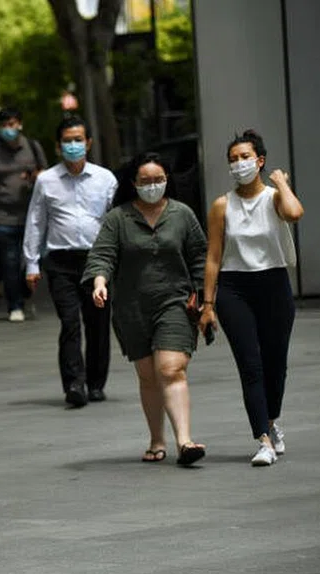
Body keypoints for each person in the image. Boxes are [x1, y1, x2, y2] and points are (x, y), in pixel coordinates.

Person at [82, 152, 208, 466]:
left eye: (158, 180)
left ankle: (185, 441)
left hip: (175, 303)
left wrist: (206, 301)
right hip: (132, 308)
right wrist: (100, 282)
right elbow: (103, 255)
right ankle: (157, 439)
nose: (152, 186)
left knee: (170, 368)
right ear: (134, 183)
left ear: (168, 181)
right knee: (149, 376)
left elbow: (200, 258)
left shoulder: (182, 215)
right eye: (145, 181)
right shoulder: (118, 218)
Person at [200, 130, 303, 466]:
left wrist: (281, 182)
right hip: (234, 289)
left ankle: (272, 422)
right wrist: (208, 304)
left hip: (273, 285)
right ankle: (262, 439)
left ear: (259, 161)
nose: (239, 164)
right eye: (233, 159)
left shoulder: (274, 197)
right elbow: (213, 256)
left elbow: (295, 213)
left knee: (276, 364)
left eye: (245, 157)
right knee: (250, 365)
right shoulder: (221, 205)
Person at [23, 115, 117, 407]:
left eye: (78, 140)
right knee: (69, 322)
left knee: (98, 323)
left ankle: (96, 382)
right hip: (60, 262)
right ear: (58, 145)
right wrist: (32, 263)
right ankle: (74, 383)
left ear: (88, 143)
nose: (73, 145)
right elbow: (36, 221)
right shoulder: (46, 180)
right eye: (67, 141)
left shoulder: (106, 179)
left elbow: (116, 222)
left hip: (97, 260)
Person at [0, 108, 48, 318]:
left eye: (12, 124)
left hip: (32, 215)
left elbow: (46, 175)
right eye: (3, 125)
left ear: (20, 124)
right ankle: (15, 304)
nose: (8, 129)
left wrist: (33, 176)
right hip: (2, 216)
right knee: (9, 261)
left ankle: (24, 287)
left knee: (38, 255)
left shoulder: (32, 147)